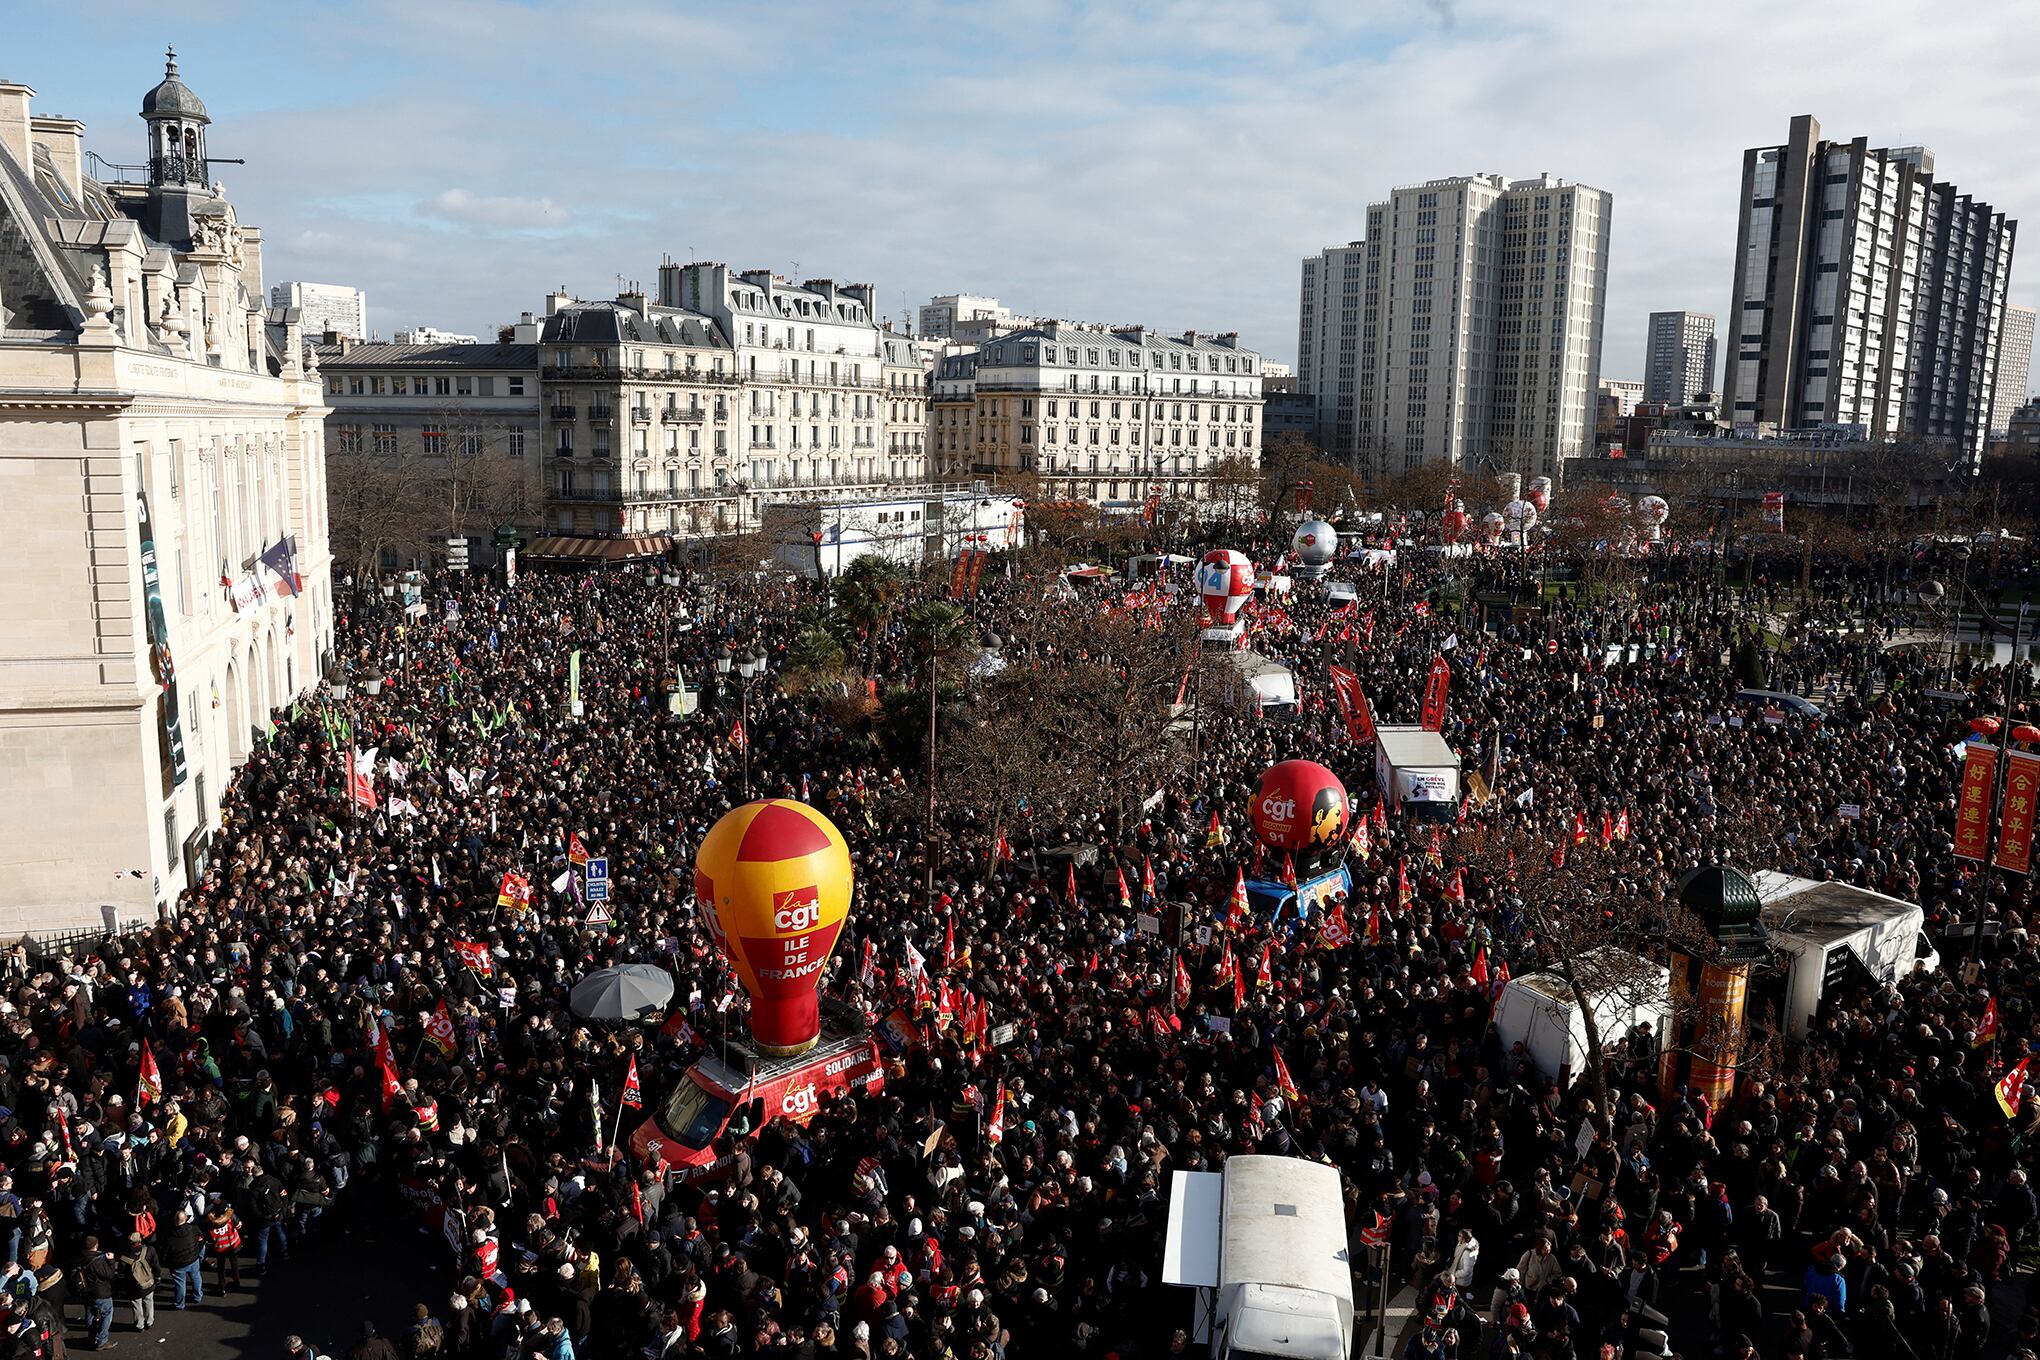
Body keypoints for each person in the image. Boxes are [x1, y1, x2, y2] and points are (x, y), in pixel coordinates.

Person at [72, 1237, 117, 1352]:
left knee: (90, 1313)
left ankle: (91, 1337)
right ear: (96, 1245)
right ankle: (102, 1340)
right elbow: (109, 1275)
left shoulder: (80, 1257)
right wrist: (111, 1261)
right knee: (107, 1313)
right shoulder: (97, 1261)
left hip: (86, 1291)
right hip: (100, 1293)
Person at [157, 1209, 202, 1311]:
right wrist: (197, 1251)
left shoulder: (169, 1236)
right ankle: (197, 1296)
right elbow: (200, 1239)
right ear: (186, 1219)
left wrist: (164, 1262)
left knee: (180, 1284)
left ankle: (179, 1304)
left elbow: (164, 1253)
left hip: (178, 1264)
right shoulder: (193, 1228)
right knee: (196, 1277)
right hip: (193, 1259)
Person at [112, 1236, 156, 1334]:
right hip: (148, 1282)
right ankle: (149, 1322)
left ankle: (139, 1325)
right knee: (149, 1301)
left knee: (137, 1304)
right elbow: (156, 1265)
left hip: (133, 1286)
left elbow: (121, 1274)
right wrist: (156, 1278)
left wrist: (120, 1287)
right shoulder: (150, 1250)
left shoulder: (124, 1258)